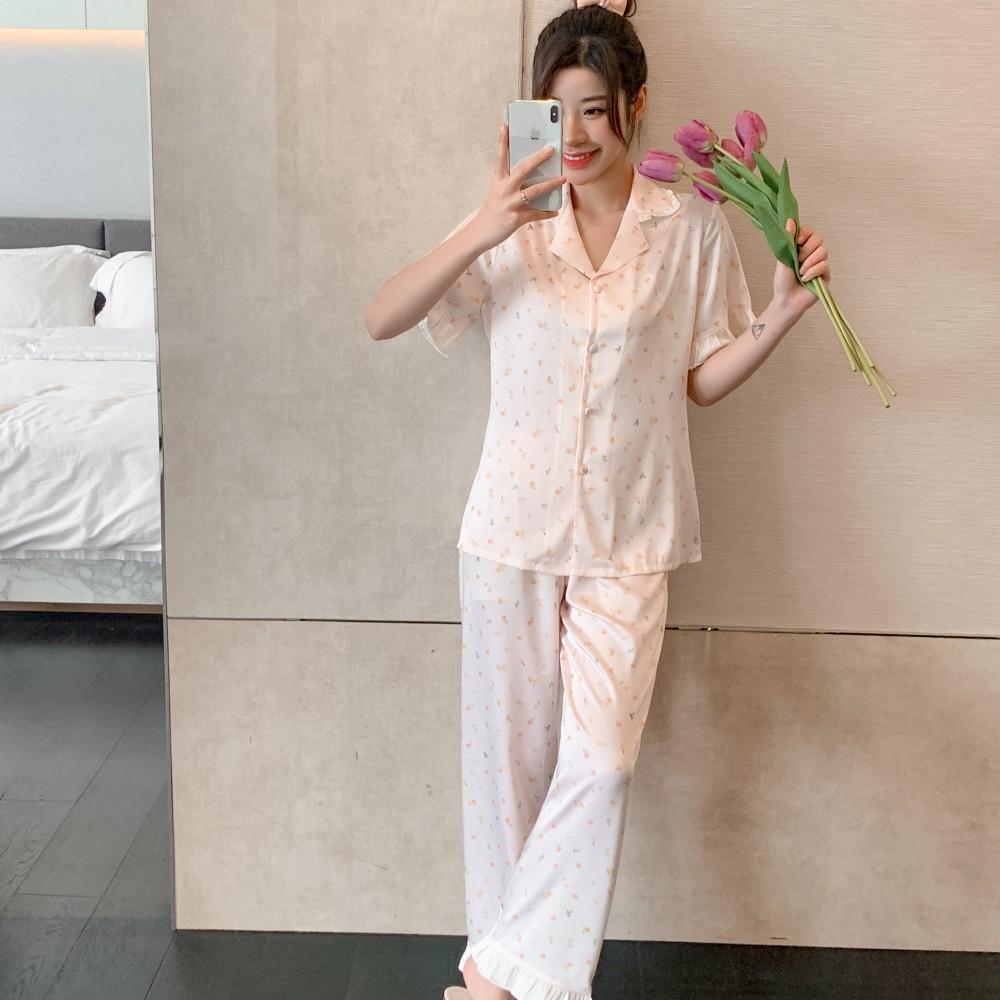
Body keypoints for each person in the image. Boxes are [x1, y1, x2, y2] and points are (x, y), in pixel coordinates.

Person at [364, 2, 831, 997]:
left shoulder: (690, 228)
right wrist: (483, 226)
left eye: (594, 109)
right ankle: (500, 992)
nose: (573, 135)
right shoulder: (515, 217)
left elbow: (700, 380)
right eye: (556, 109)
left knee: (602, 764)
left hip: (632, 535)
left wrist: (782, 314)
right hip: (510, 534)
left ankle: (487, 971)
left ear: (635, 103)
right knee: (509, 780)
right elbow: (382, 316)